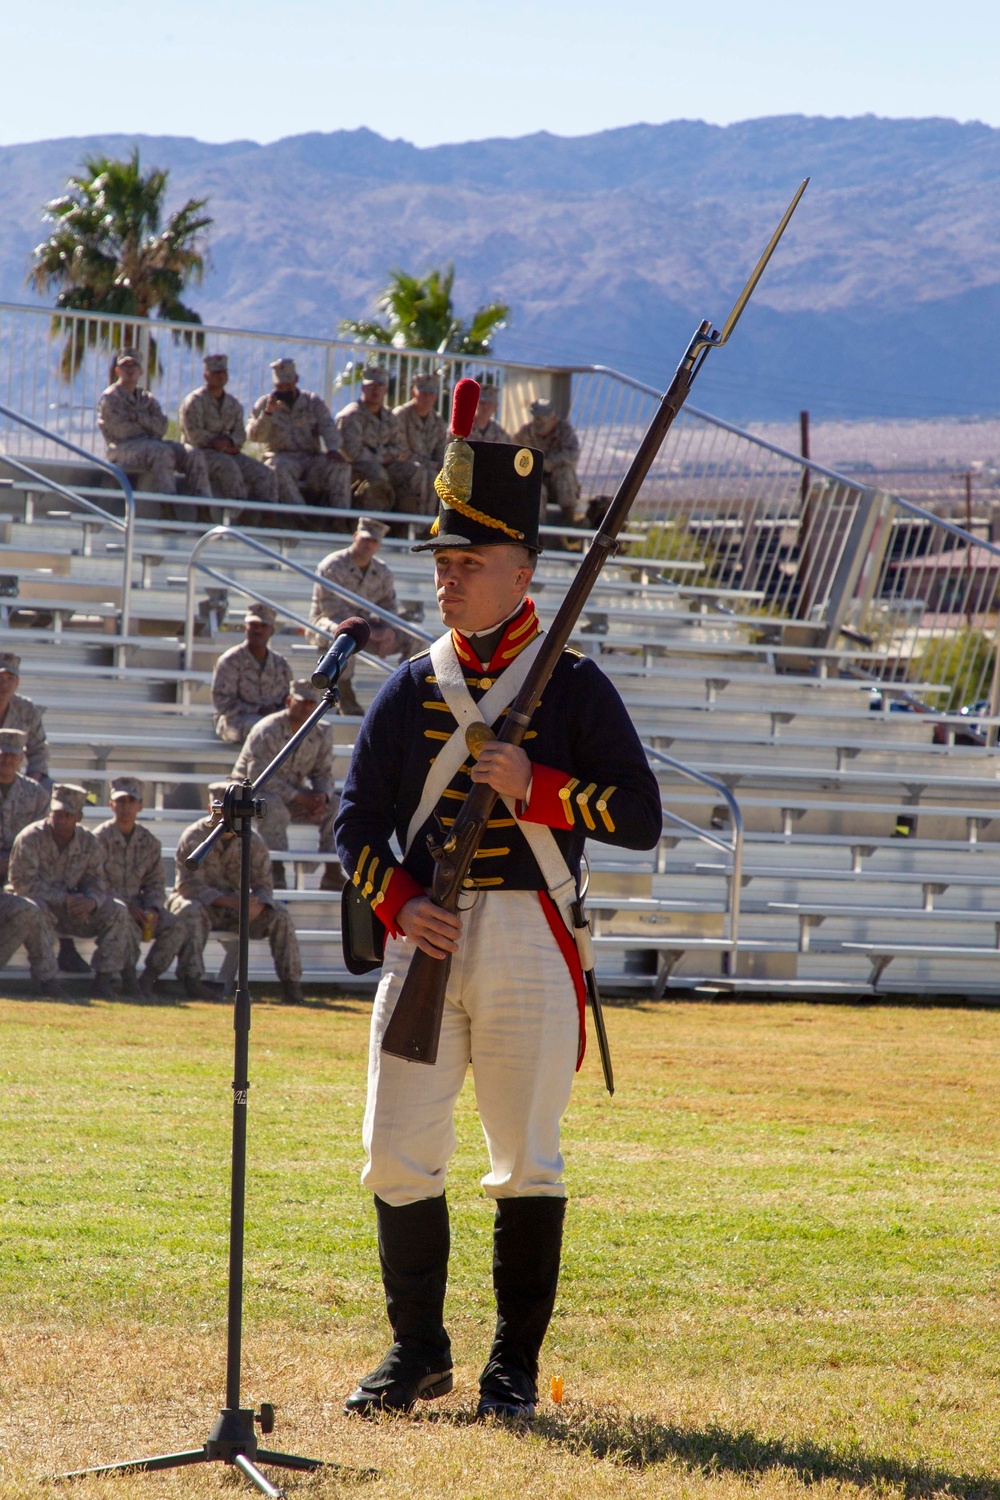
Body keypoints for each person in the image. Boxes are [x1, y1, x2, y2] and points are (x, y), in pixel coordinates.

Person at [335, 397, 662, 1420]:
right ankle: (418, 1351)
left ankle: (510, 1368)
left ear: (522, 571)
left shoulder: (572, 687)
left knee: (524, 1160)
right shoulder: (409, 687)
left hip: (529, 930)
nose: (445, 574)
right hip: (426, 933)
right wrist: (397, 905)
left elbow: (639, 817)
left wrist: (542, 789)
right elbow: (351, 828)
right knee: (395, 1152)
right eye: (441, 560)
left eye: (467, 561)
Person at [169, 781, 304, 1004]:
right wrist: (231, 902)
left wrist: (258, 905)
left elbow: (264, 885)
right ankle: (191, 980)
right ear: (209, 808)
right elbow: (188, 886)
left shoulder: (253, 841)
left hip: (240, 910)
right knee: (189, 909)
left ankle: (292, 985)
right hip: (206, 908)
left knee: (279, 914)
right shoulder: (194, 837)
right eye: (219, 808)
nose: (225, 815)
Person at [8, 783, 133, 999]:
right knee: (35, 911)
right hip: (36, 906)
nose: (62, 819)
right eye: (57, 813)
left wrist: (91, 901)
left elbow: (98, 881)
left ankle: (103, 980)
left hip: (73, 909)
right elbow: (22, 885)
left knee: (117, 910)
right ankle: (47, 982)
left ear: (79, 817)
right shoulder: (31, 837)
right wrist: (65, 899)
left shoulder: (88, 842)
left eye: (68, 814)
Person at [231, 680, 344, 892]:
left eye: (313, 703)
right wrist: (302, 798)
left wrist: (322, 796)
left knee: (336, 806)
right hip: (249, 796)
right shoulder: (267, 729)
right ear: (289, 701)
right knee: (270, 805)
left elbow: (322, 772)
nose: (308, 707)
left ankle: (332, 871)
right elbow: (258, 778)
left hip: (292, 795)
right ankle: (275, 870)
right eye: (302, 702)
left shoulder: (322, 732)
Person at [93, 775, 189, 999]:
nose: (126, 807)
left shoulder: (149, 842)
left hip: (140, 907)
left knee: (176, 926)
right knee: (122, 916)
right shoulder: (98, 839)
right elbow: (95, 882)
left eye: (131, 801)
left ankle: (148, 980)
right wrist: (128, 907)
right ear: (111, 805)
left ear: (140, 806)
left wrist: (153, 909)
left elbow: (155, 882)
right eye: (121, 801)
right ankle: (118, 980)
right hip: (107, 907)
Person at [308, 517, 411, 718]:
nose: (369, 545)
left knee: (416, 637)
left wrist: (388, 629)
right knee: (346, 638)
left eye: (374, 541)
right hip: (327, 622)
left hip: (368, 628)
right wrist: (374, 633)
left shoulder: (382, 571)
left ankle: (407, 691)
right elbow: (332, 610)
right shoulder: (333, 565)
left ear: (379, 545)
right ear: (355, 536)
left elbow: (388, 605)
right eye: (365, 539)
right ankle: (345, 698)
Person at [97, 348, 213, 498]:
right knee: (161, 452)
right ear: (118, 371)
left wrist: (137, 417)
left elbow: (162, 427)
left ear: (141, 371)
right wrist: (148, 425)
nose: (130, 370)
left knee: (192, 453)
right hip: (120, 448)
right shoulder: (111, 397)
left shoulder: (146, 398)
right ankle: (167, 503)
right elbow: (121, 431)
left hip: (149, 444)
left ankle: (203, 505)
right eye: (125, 366)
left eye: (134, 366)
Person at [245, 358, 351, 512]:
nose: (285, 389)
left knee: (340, 467)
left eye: (288, 384)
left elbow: (328, 426)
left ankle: (340, 518)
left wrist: (333, 448)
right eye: (280, 386)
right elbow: (255, 437)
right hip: (281, 457)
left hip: (311, 458)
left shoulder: (312, 402)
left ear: (296, 380)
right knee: (276, 469)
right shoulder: (264, 404)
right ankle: (301, 516)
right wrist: (267, 414)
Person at [179, 354, 280, 508]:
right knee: (228, 466)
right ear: (206, 375)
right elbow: (194, 434)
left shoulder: (233, 404)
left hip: (229, 452)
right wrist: (215, 443)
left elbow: (240, 433)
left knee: (265, 474)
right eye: (215, 373)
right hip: (200, 454)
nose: (220, 376)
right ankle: (238, 512)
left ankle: (266, 516)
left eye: (223, 372)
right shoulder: (194, 401)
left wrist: (230, 443)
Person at [336, 365, 426, 516]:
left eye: (380, 386)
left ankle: (414, 526)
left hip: (384, 464)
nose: (375, 391)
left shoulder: (389, 416)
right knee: (377, 474)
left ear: (385, 390)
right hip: (355, 469)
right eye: (371, 386)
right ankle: (371, 523)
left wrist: (385, 456)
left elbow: (399, 447)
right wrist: (380, 458)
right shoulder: (351, 416)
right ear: (363, 389)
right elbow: (352, 453)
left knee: (415, 471)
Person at [0, 728, 46, 986]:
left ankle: (47, 980)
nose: (7, 760)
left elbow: (38, 842)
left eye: (13, 755)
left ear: (22, 759)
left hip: (18, 882)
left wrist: (10, 863)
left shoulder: (35, 794)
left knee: (30, 910)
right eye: (3, 754)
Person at [211, 603, 292, 744]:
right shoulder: (230, 661)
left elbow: (288, 700)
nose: (258, 630)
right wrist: (258, 710)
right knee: (261, 728)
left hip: (272, 722)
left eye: (263, 626)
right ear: (245, 628)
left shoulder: (281, 664)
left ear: (271, 631)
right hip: (235, 721)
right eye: (253, 625)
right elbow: (222, 702)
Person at [512, 399, 584, 525]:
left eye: (542, 422)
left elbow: (572, 455)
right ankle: (538, 529)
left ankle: (569, 523)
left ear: (553, 420)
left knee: (565, 473)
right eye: (536, 420)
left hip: (559, 484)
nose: (538, 425)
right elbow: (513, 455)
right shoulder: (525, 434)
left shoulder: (565, 431)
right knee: (535, 487)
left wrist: (547, 464)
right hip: (536, 479)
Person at [393, 372, 448, 509]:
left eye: (431, 393)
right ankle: (420, 525)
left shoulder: (437, 420)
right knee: (425, 474)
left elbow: (442, 450)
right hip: (401, 466)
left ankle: (433, 525)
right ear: (413, 393)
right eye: (423, 393)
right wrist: (433, 465)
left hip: (428, 469)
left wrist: (442, 466)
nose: (427, 398)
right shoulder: (401, 415)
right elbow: (401, 452)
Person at [0, 651, 49, 784]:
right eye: (0, 678)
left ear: (17, 682)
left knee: (47, 787)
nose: (4, 685)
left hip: (12, 780)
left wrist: (30, 784)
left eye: (10, 678)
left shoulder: (25, 709)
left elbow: (38, 751)